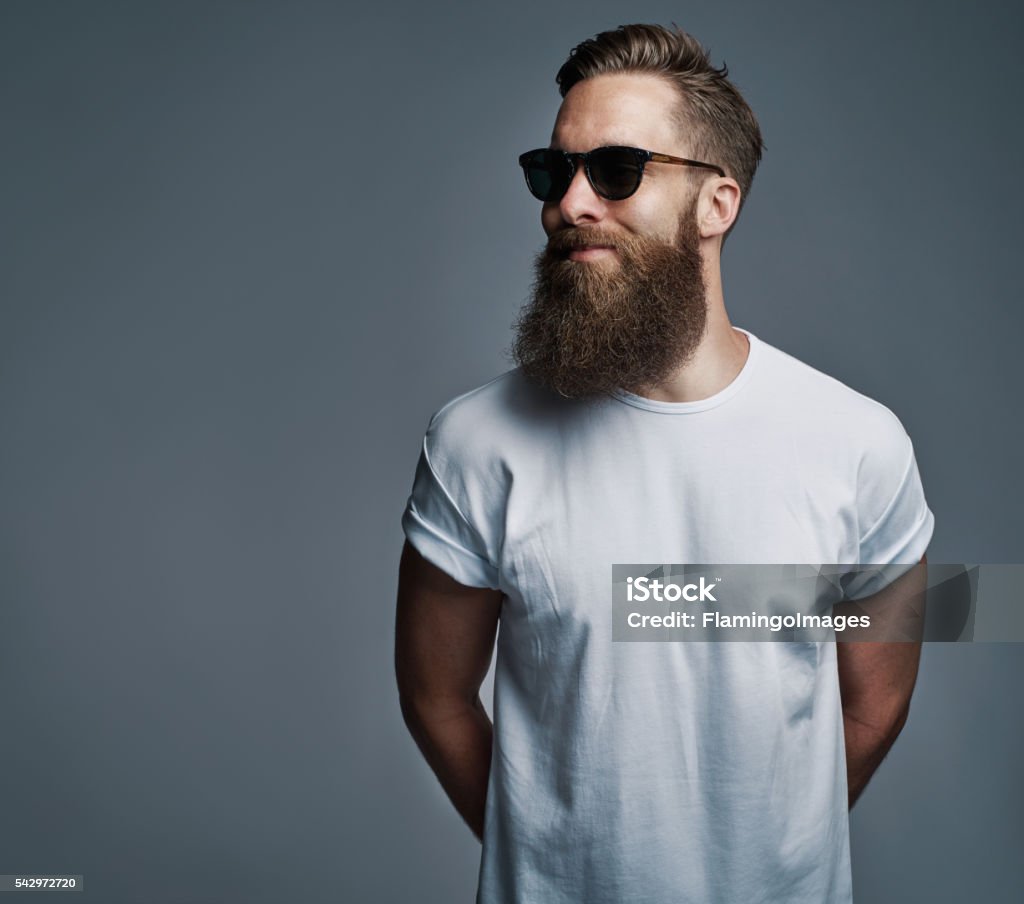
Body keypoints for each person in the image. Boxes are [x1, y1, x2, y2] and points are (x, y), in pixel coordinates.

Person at [395, 23, 933, 904]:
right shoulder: (474, 444)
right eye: (553, 170)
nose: (568, 203)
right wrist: (548, 860)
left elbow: (875, 704)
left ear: (717, 204)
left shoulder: (861, 444)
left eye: (615, 170)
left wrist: (773, 861)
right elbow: (435, 695)